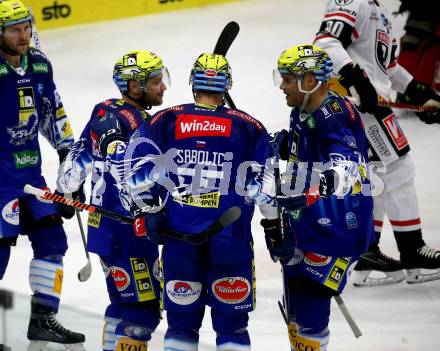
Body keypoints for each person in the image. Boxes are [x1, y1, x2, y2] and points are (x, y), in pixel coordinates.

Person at [94, 52, 278, 351]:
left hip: (180, 241)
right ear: (227, 86)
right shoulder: (249, 126)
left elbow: (132, 173)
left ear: (193, 83)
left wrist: (146, 209)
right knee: (232, 328)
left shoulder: (167, 118)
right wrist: (273, 226)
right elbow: (265, 190)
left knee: (181, 325)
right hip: (230, 240)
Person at [315, 0, 440, 286]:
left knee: (378, 176)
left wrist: (417, 91)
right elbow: (326, 41)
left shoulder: (378, 10)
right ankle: (413, 252)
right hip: (360, 106)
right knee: (398, 169)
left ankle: (366, 254)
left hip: (372, 103)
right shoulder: (350, 0)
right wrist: (356, 80)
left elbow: (387, 67)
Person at [56, 50, 170, 350]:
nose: (164, 87)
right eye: (156, 81)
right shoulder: (142, 123)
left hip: (103, 226)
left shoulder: (104, 110)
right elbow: (126, 172)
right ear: (135, 87)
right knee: (142, 310)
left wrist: (68, 190)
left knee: (121, 302)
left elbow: (75, 160)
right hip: (128, 230)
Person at [270, 44, 374, 351]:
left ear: (310, 80)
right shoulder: (302, 109)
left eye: (288, 78)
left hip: (337, 227)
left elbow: (348, 168)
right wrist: (288, 144)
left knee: (311, 307)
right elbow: (308, 156)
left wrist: (309, 191)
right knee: (296, 310)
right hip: (308, 223)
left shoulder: (335, 115)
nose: (282, 85)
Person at [0, 1, 85, 349]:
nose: (24, 35)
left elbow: (53, 111)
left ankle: (42, 320)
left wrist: (70, 165)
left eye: (27, 27)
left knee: (53, 241)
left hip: (31, 176)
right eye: (15, 30)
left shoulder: (38, 63)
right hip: (1, 183)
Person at [395, 0, 440, 94]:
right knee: (425, 51)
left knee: (425, 51)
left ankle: (410, 91)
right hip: (425, 23)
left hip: (422, 22)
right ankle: (412, 91)